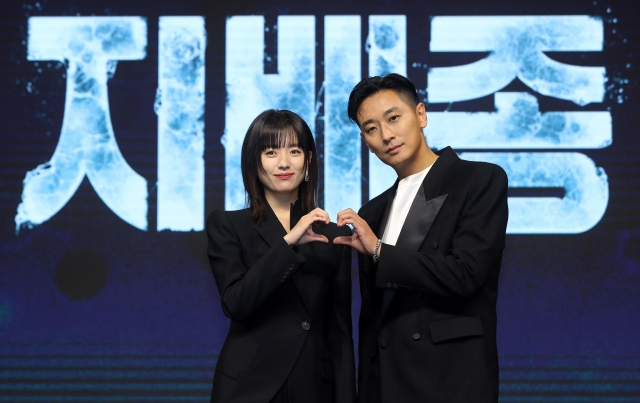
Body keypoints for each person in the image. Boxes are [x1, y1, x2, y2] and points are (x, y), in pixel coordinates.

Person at [333, 74, 508, 402]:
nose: (386, 135)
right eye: (371, 129)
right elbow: (374, 320)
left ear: (421, 115)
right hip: (386, 385)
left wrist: (380, 251)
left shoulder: (478, 180)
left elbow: (466, 274)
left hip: (449, 380)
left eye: (394, 118)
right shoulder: (372, 212)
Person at [206, 109, 356, 403]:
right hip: (250, 385)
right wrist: (288, 243)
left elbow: (339, 333)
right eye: (271, 152)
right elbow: (236, 302)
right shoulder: (227, 225)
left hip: (313, 386)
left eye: (295, 151)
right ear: (254, 162)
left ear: (308, 160)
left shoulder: (332, 233)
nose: (284, 162)